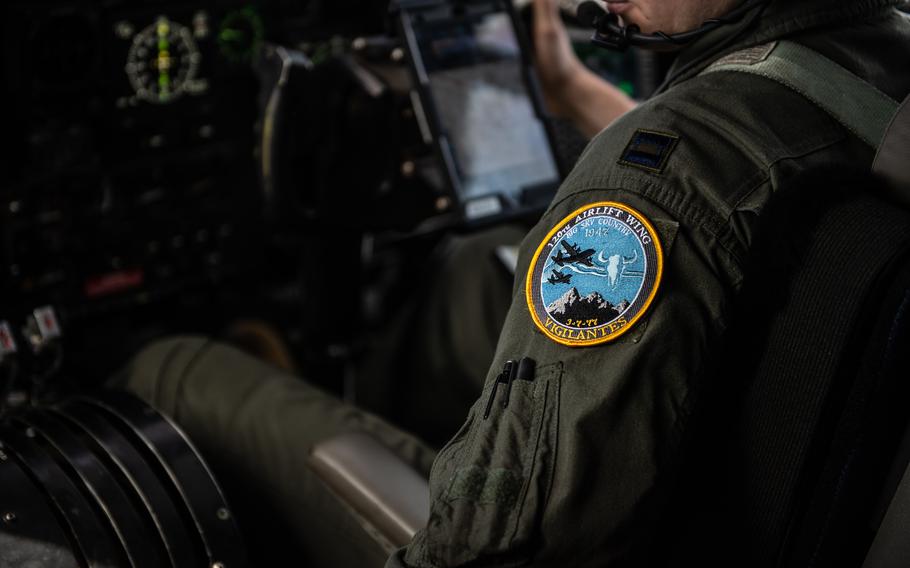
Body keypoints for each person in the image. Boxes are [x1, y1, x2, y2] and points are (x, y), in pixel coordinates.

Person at [114, 0, 910, 565]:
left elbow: (499, 549)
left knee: (169, 370)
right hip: (791, 477)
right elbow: (733, 166)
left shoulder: (652, 178)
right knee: (470, 270)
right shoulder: (879, 57)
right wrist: (566, 88)